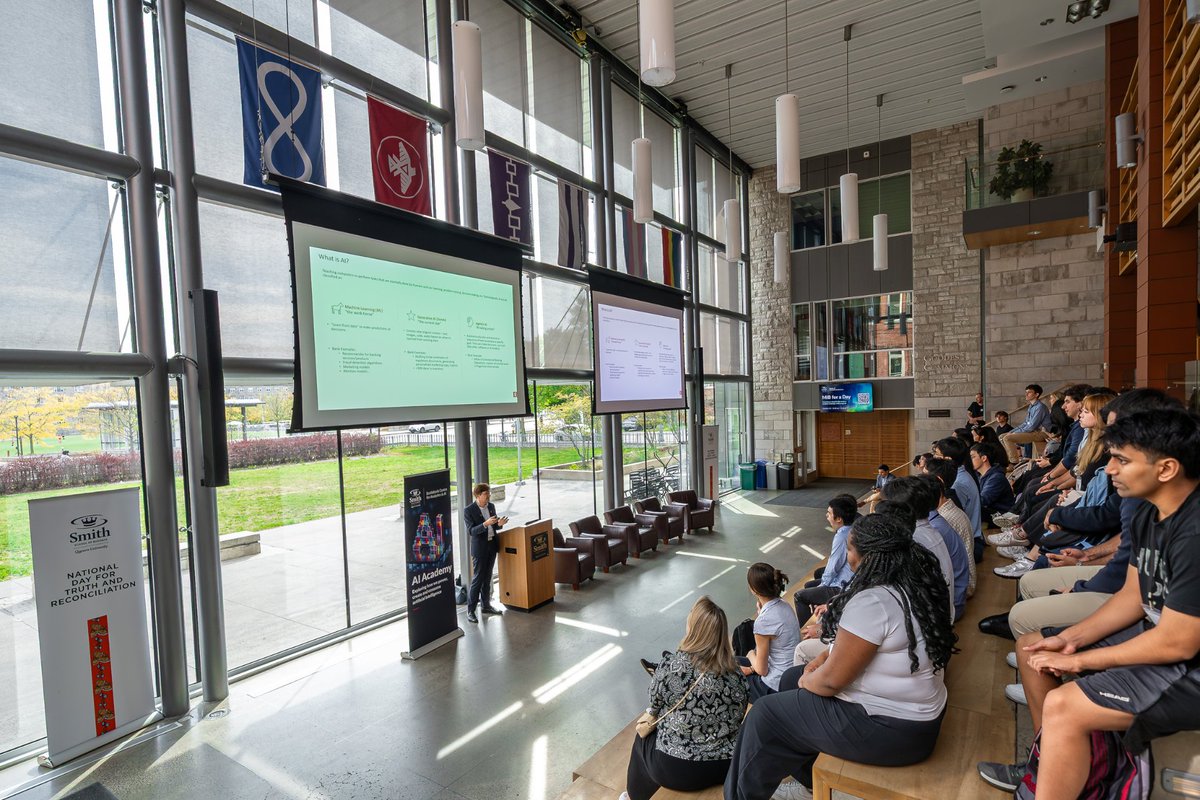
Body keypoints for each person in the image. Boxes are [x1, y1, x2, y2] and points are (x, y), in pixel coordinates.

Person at [978, 409, 1200, 795]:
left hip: (1187, 667)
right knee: (1032, 648)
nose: (1109, 469)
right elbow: (1132, 596)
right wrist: (1070, 639)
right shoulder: (1150, 513)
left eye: (1122, 460)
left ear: (1166, 469)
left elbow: (1178, 642)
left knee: (1064, 705)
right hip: (1159, 638)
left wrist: (1080, 661)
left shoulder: (1193, 532)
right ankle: (1047, 763)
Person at [724, 514, 955, 800]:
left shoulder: (873, 600)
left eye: (849, 549)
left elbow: (831, 682)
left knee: (764, 715)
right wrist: (816, 666)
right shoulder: (912, 584)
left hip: (892, 729)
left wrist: (810, 679)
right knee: (790, 679)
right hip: (916, 719)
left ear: (867, 556)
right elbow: (850, 649)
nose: (847, 557)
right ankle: (811, 781)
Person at [623, 597, 748, 800]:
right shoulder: (736, 673)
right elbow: (739, 715)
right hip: (726, 764)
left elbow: (654, 705)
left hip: (676, 769)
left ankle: (633, 796)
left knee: (643, 738)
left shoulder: (671, 666)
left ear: (693, 627)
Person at [881, 477, 966, 621]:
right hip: (943, 615)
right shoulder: (928, 531)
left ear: (899, 511)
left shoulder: (913, 540)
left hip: (932, 622)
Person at [738, 563, 802, 701]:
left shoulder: (763, 622)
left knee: (730, 669)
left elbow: (762, 670)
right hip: (793, 675)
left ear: (753, 590)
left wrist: (750, 654)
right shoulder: (785, 604)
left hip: (774, 686)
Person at [793, 495, 858, 617]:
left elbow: (833, 566)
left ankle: (806, 627)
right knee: (808, 585)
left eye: (829, 513)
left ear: (838, 519)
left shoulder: (842, 536)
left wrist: (822, 586)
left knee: (799, 596)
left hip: (843, 586)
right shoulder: (852, 528)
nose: (826, 515)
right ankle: (821, 614)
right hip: (848, 579)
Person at [463, 483, 508, 623]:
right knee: (478, 579)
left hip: (491, 546)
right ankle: (470, 611)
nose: (488, 496)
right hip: (480, 549)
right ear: (478, 495)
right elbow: (471, 531)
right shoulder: (469, 510)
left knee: (487, 578)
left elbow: (494, 527)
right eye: (485, 494)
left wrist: (499, 524)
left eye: (489, 493)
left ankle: (486, 606)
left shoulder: (491, 506)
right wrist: (485, 524)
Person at [999, 384, 1050, 464]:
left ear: (1036, 394)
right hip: (1033, 432)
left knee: (1007, 438)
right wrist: (1012, 431)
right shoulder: (1031, 406)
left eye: (1029, 392)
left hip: (1041, 433)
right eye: (1026, 392)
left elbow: (1032, 426)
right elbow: (1026, 423)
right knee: (1001, 437)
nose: (1026, 394)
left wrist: (1015, 433)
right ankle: (1007, 460)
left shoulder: (1040, 407)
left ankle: (1014, 462)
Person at [971, 442, 1014, 520]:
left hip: (1002, 516)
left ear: (984, 458)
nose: (970, 460)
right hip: (991, 511)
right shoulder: (980, 475)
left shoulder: (996, 477)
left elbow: (983, 500)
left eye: (973, 457)